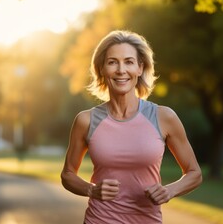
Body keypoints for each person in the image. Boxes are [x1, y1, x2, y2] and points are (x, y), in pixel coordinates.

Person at [61, 30, 202, 224]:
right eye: (112, 62)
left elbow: (194, 173)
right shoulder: (86, 120)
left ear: (139, 68)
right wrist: (91, 189)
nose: (121, 70)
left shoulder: (163, 117)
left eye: (128, 61)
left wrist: (169, 190)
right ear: (102, 69)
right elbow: (68, 175)